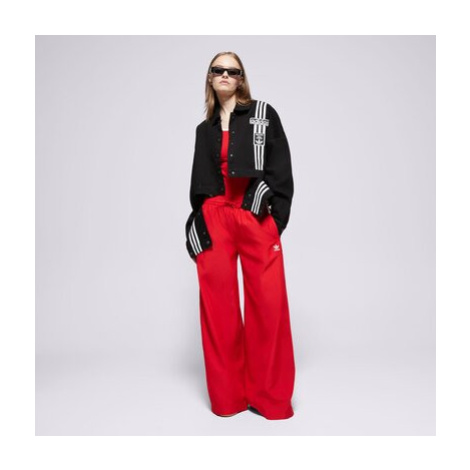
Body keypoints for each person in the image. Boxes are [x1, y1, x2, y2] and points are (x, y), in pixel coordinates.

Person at [185, 51, 296, 420]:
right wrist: (197, 220)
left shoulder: (263, 114)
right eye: (218, 70)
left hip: (254, 214)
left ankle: (270, 399)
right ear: (210, 77)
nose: (225, 75)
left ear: (241, 78)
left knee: (269, 306)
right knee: (218, 310)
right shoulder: (204, 130)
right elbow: (200, 183)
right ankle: (228, 398)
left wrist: (275, 221)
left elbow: (281, 169)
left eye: (232, 71)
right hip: (215, 218)